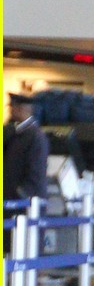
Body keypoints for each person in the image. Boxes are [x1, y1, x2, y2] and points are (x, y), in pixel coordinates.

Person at [3, 93, 49, 254]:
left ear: (22, 109)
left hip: (23, 206)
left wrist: (20, 195)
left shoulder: (35, 136)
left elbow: (35, 174)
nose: (10, 111)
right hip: (10, 203)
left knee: (23, 248)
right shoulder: (12, 133)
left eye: (13, 107)